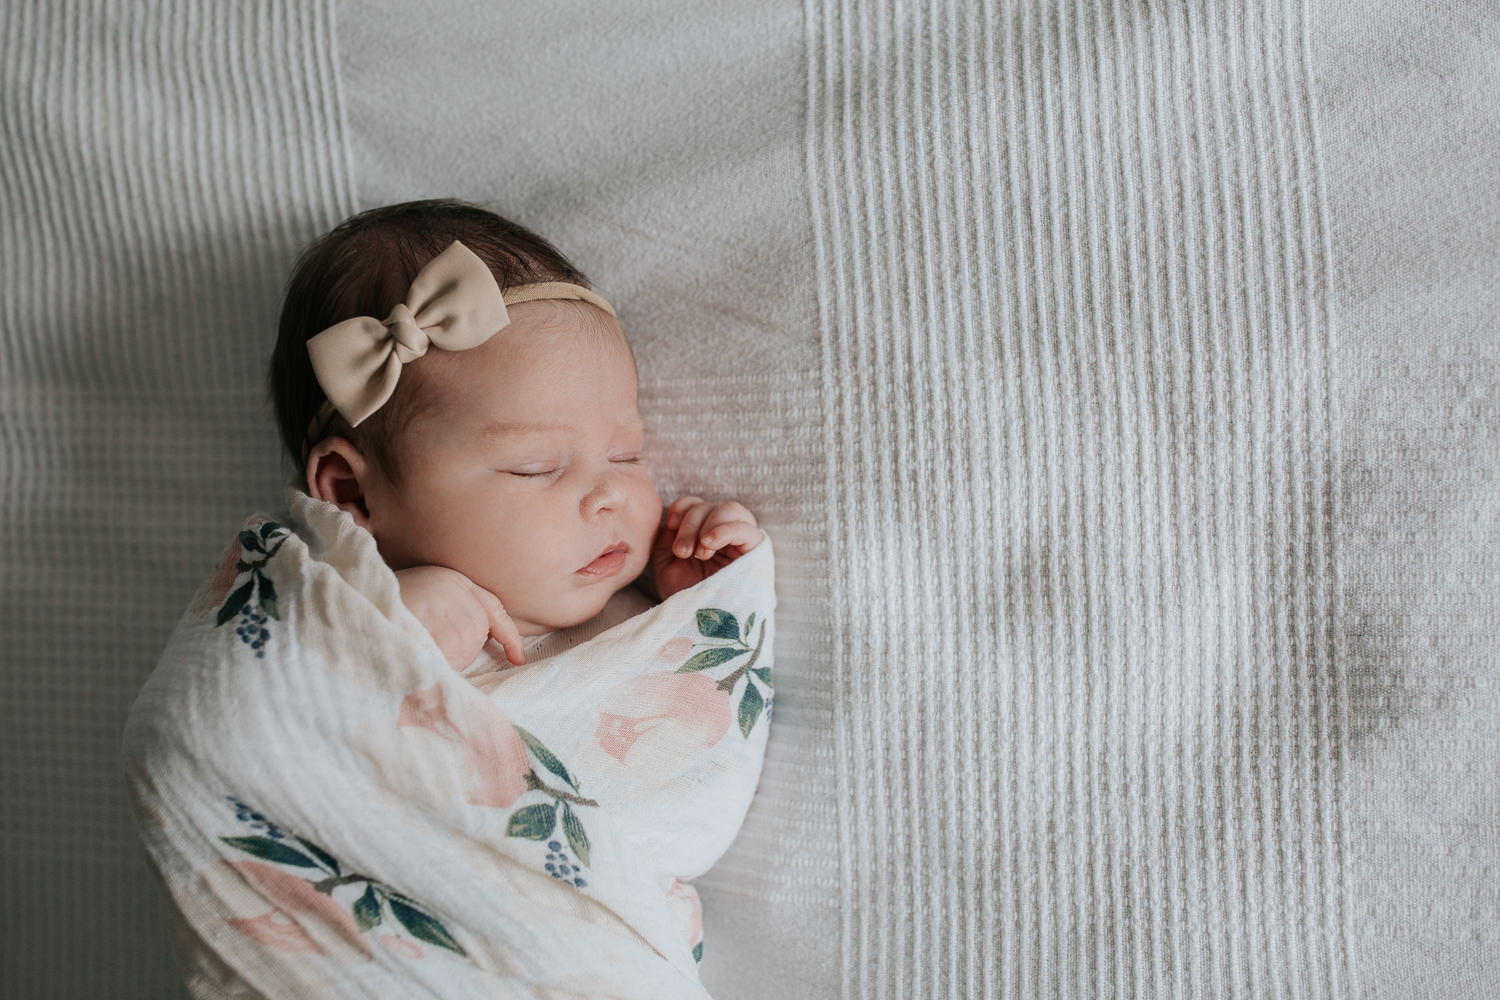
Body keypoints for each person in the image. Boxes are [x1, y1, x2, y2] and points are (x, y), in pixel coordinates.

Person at [272, 197, 764, 669]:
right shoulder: (311, 621)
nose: (611, 494)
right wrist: (376, 637)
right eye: (537, 467)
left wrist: (704, 601)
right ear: (352, 492)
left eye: (625, 454)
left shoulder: (649, 603)